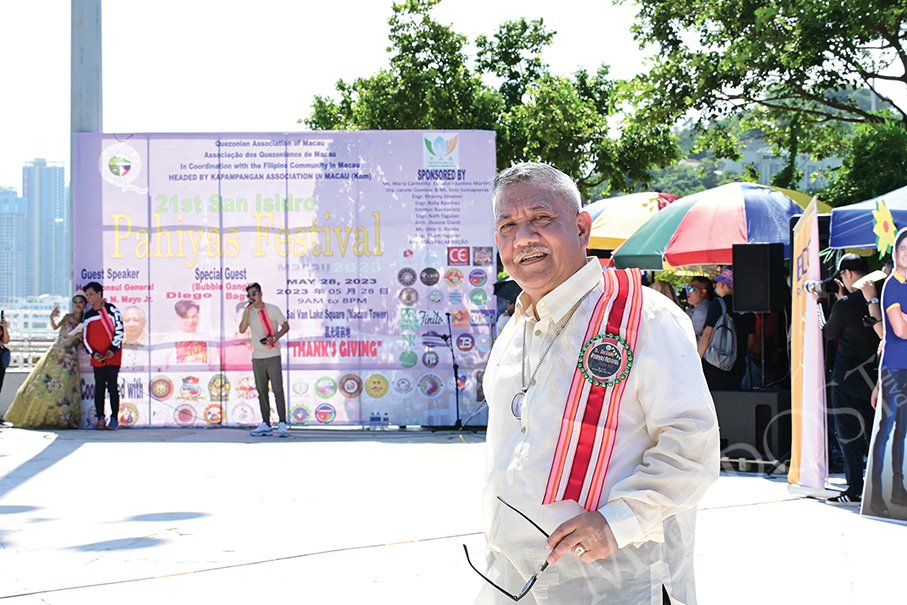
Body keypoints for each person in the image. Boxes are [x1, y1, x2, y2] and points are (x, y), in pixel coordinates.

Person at [473, 162, 719, 604]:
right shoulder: (514, 329)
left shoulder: (644, 316)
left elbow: (692, 446)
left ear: (582, 227)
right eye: (508, 225)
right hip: (514, 582)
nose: (523, 237)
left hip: (618, 584)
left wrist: (617, 522)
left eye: (541, 218)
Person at [818, 255, 880, 506]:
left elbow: (827, 331)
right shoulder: (877, 298)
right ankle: (882, 485)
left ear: (847, 274)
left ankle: (854, 489)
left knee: (849, 434)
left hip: (846, 376)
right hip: (875, 374)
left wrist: (822, 301)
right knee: (877, 431)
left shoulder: (844, 304)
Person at [865, 229, 907, 518]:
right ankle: (876, 495)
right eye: (903, 248)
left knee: (901, 431)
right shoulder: (893, 285)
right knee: (887, 429)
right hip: (894, 367)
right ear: (895, 251)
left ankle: (897, 489)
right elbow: (900, 330)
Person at [4, 295, 88, 429]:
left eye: (80, 302)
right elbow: (55, 327)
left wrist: (80, 337)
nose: (77, 305)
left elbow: (85, 344)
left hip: (70, 357)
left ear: (84, 305)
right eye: (75, 302)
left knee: (66, 388)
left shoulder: (85, 322)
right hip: (56, 354)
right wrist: (52, 317)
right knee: (44, 384)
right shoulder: (67, 317)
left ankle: (62, 418)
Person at [241, 283, 290, 437]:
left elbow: (286, 326)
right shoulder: (248, 311)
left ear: (261, 294)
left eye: (254, 294)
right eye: (250, 295)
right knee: (261, 391)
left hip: (273, 354)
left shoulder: (272, 309)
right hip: (258, 357)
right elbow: (242, 329)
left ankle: (282, 423)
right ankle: (266, 424)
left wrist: (273, 338)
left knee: (277, 389)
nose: (252, 297)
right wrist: (247, 314)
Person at [698, 268, 756, 391]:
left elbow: (708, 334)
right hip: (738, 365)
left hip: (715, 364)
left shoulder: (718, 304)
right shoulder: (748, 308)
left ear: (723, 284)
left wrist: (698, 358)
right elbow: (751, 340)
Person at [82, 282, 125, 430]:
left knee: (112, 386)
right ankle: (100, 417)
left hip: (113, 356)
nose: (89, 298)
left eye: (91, 294)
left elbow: (120, 330)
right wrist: (93, 353)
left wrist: (113, 348)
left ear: (100, 294)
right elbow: (85, 338)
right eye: (87, 295)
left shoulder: (111, 310)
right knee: (99, 387)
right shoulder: (88, 316)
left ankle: (114, 418)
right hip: (97, 359)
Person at [153, 300, 218, 370]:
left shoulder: (207, 338)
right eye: (186, 317)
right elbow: (152, 364)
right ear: (178, 317)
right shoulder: (170, 339)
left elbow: (216, 367)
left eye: (194, 316)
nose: (191, 321)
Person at [684, 276, 714, 345]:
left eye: (691, 289)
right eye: (687, 288)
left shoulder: (702, 310)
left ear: (703, 293)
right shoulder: (695, 308)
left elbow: (689, 334)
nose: (688, 291)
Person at [121, 305, 149, 370]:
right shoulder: (116, 344)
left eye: (136, 320)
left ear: (144, 323)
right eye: (127, 320)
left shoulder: (154, 345)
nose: (131, 324)